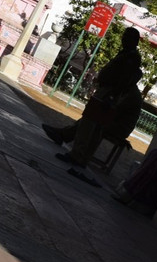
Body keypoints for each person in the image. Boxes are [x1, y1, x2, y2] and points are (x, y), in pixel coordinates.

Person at [42, 26, 143, 186]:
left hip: (109, 93)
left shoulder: (131, 58)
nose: (123, 39)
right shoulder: (127, 55)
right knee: (91, 123)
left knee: (90, 124)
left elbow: (123, 79)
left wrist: (111, 95)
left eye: (126, 37)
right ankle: (72, 145)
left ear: (133, 40)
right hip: (109, 91)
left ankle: (76, 153)